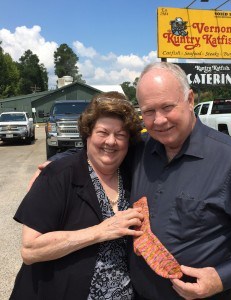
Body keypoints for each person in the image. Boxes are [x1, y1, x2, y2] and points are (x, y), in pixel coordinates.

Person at [29, 62, 231, 300]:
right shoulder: (143, 149)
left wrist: (221, 278)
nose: (160, 120)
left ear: (189, 100)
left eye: (167, 107)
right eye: (149, 111)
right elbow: (106, 147)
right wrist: (60, 163)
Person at [10, 93, 144, 300]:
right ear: (87, 134)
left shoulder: (131, 175)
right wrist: (100, 231)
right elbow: (30, 250)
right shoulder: (59, 175)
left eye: (120, 135)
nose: (111, 141)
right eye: (103, 132)